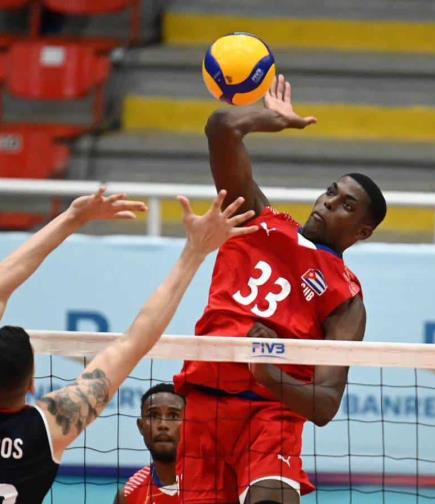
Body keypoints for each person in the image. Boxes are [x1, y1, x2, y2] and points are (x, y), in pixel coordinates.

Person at [0, 187, 256, 503]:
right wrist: (193, 253)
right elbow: (134, 343)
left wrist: (71, 217)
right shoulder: (50, 428)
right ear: (31, 385)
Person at [173, 74, 388, 504]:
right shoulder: (256, 218)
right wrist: (266, 118)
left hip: (270, 415)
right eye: (331, 192)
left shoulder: (346, 300)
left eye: (347, 205)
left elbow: (325, 404)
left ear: (363, 231)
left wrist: (268, 373)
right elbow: (221, 128)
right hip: (201, 407)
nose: (329, 202)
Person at [116, 383, 185, 504]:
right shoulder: (128, 494)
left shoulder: (213, 484)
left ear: (190, 424)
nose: (163, 424)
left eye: (173, 415)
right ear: (141, 426)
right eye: (153, 415)